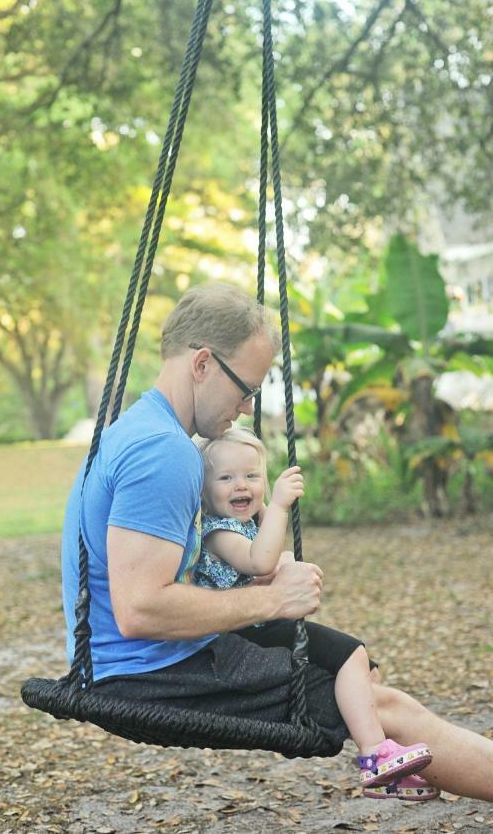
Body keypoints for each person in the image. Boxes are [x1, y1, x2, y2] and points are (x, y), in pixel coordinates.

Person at [62, 282, 493, 802]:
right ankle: (384, 762)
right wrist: (274, 599)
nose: (246, 408)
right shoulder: (165, 453)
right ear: (202, 364)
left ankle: (389, 763)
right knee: (382, 709)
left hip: (140, 662)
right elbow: (140, 609)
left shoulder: (134, 429)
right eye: (245, 387)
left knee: (363, 678)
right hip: (151, 674)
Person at [193, 427, 437, 800]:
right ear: (204, 492)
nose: (240, 485)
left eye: (251, 476)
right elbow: (260, 562)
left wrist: (279, 550)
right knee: (350, 652)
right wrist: (277, 507)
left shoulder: (243, 525)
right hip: (243, 634)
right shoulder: (218, 531)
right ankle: (375, 759)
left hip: (261, 623)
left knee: (367, 666)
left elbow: (268, 562)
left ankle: (388, 763)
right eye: (226, 478)